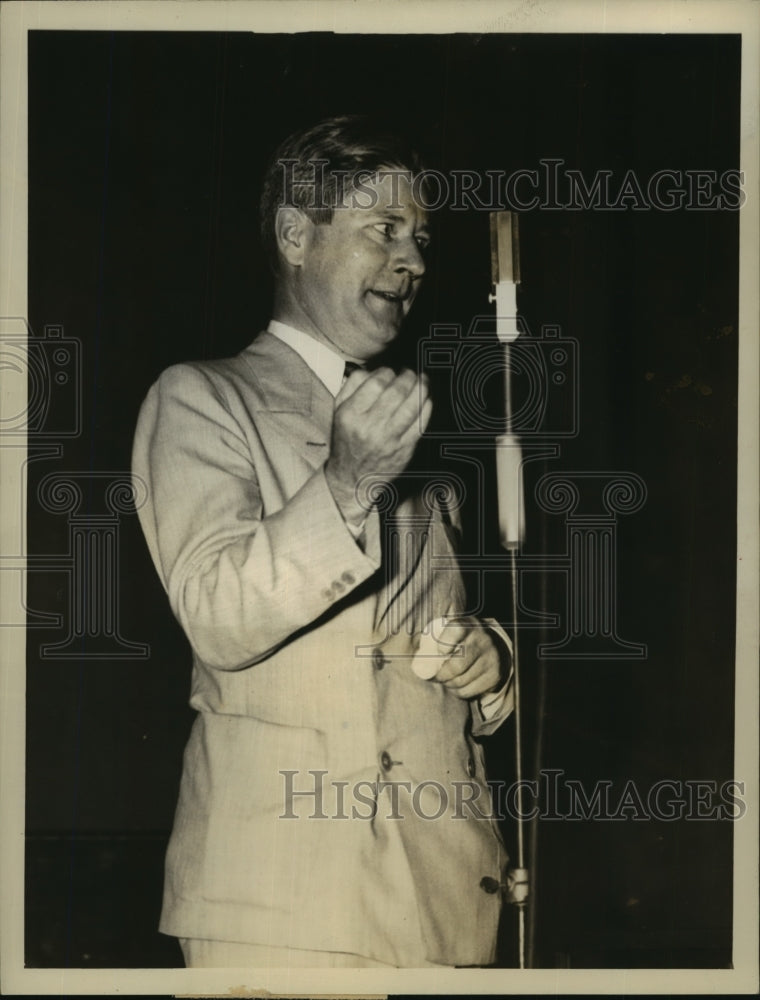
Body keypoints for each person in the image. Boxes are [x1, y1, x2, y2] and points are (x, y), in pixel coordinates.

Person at [132, 115, 515, 969]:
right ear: (296, 234)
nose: (413, 261)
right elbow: (218, 614)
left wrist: (490, 665)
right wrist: (345, 483)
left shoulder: (412, 435)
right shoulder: (202, 399)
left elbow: (424, 645)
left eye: (420, 238)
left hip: (444, 901)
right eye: (384, 230)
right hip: (282, 909)